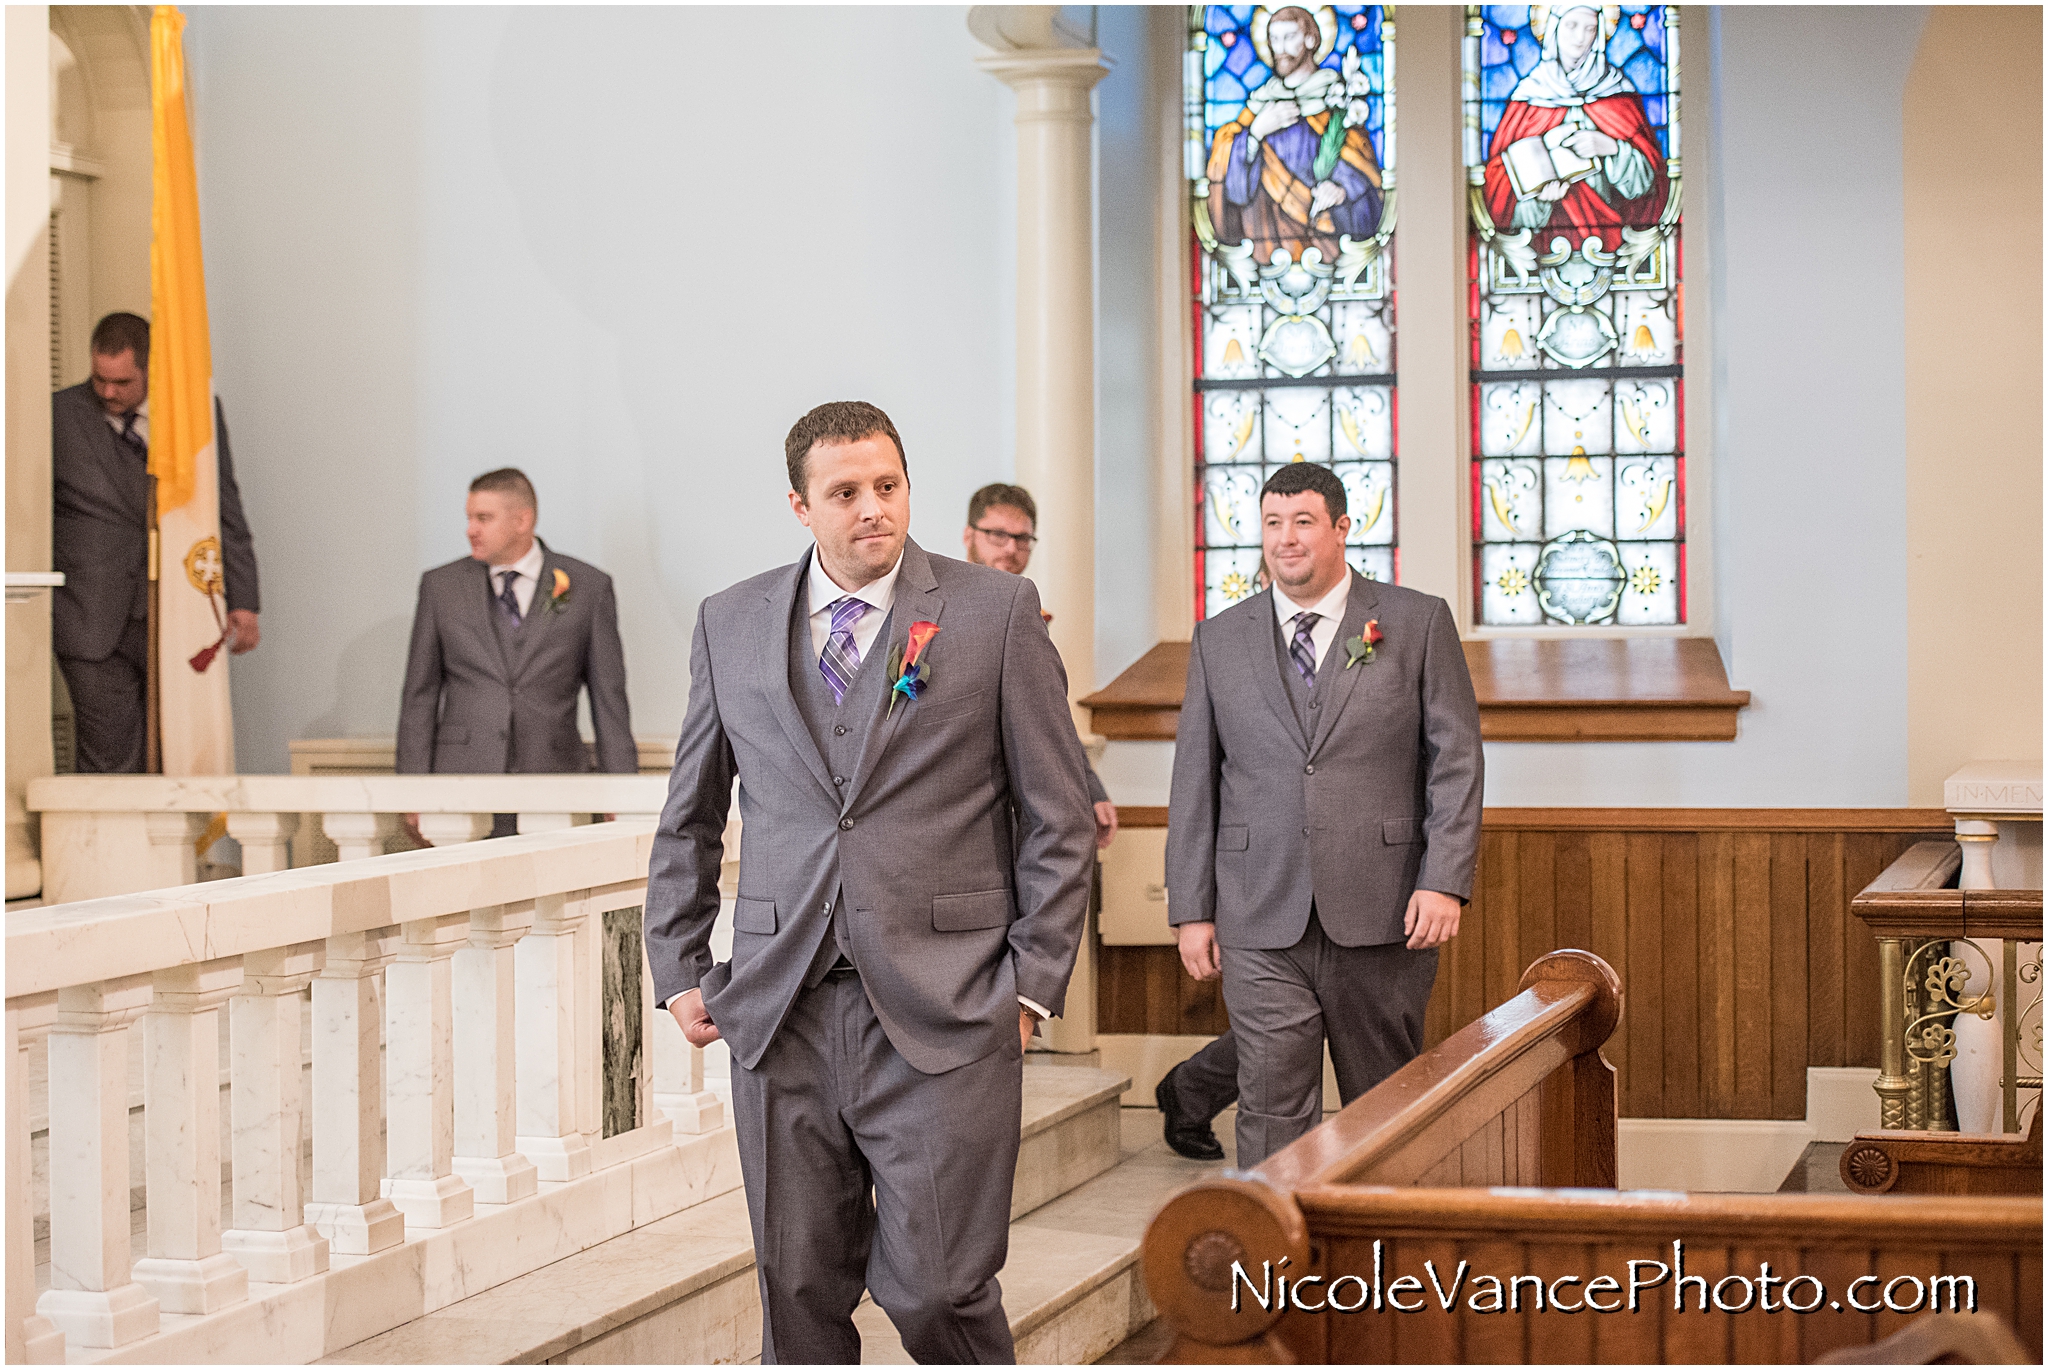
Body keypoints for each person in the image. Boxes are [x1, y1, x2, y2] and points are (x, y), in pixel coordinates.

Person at [644, 402, 1094, 1363]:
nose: (872, 510)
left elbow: (1057, 816)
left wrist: (1030, 983)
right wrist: (679, 963)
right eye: (845, 493)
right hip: (778, 1008)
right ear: (800, 506)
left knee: (937, 1289)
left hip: (950, 1002)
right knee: (797, 1292)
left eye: (887, 486)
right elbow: (690, 810)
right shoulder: (732, 621)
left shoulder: (994, 613)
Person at [1164, 461, 1481, 1169]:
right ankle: (1277, 1268)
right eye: (1273, 523)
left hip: (1386, 904)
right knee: (1272, 1104)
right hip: (1257, 908)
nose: (1286, 540)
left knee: (1388, 1102)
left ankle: (1385, 1262)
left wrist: (1445, 879)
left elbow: (1455, 760)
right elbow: (1195, 781)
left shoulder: (1414, 620)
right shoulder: (1220, 638)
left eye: (1303, 522)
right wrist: (1192, 908)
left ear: (1342, 528)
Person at [51, 311, 261, 773]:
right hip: (89, 618)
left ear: (150, 369)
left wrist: (244, 600)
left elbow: (222, 506)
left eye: (122, 382)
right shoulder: (58, 416)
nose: (108, 392)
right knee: (110, 762)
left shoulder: (193, 416)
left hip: (174, 615)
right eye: (99, 379)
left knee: (174, 759)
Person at [395, 469, 635, 833]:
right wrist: (411, 788)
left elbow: (609, 698)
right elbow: (420, 694)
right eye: (469, 518)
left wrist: (622, 790)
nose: (470, 529)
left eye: (483, 518)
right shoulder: (440, 587)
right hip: (461, 778)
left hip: (554, 777)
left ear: (523, 520)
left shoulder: (587, 587)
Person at [962, 482, 1117, 851]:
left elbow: (1048, 716)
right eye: (998, 535)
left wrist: (1090, 788)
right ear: (969, 535)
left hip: (1024, 810)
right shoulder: (937, 612)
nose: (1011, 549)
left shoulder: (1028, 616)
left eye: (1023, 538)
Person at [1205, 5, 1383, 267]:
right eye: (1274, 39)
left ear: (1311, 39)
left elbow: (1363, 168)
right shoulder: (1260, 105)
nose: (1280, 48)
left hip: (1328, 240)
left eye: (1289, 38)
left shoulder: (1338, 102)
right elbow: (1236, 194)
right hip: (1265, 242)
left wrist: (1343, 189)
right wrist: (1255, 134)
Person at [1481, 4, 1669, 244]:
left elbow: (1652, 183)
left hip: (1614, 238)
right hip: (1542, 244)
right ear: (1553, 29)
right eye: (1572, 26)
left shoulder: (1618, 93)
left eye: (1590, 29)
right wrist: (1538, 198)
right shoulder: (1528, 96)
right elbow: (1496, 185)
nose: (1580, 38)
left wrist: (1613, 148)